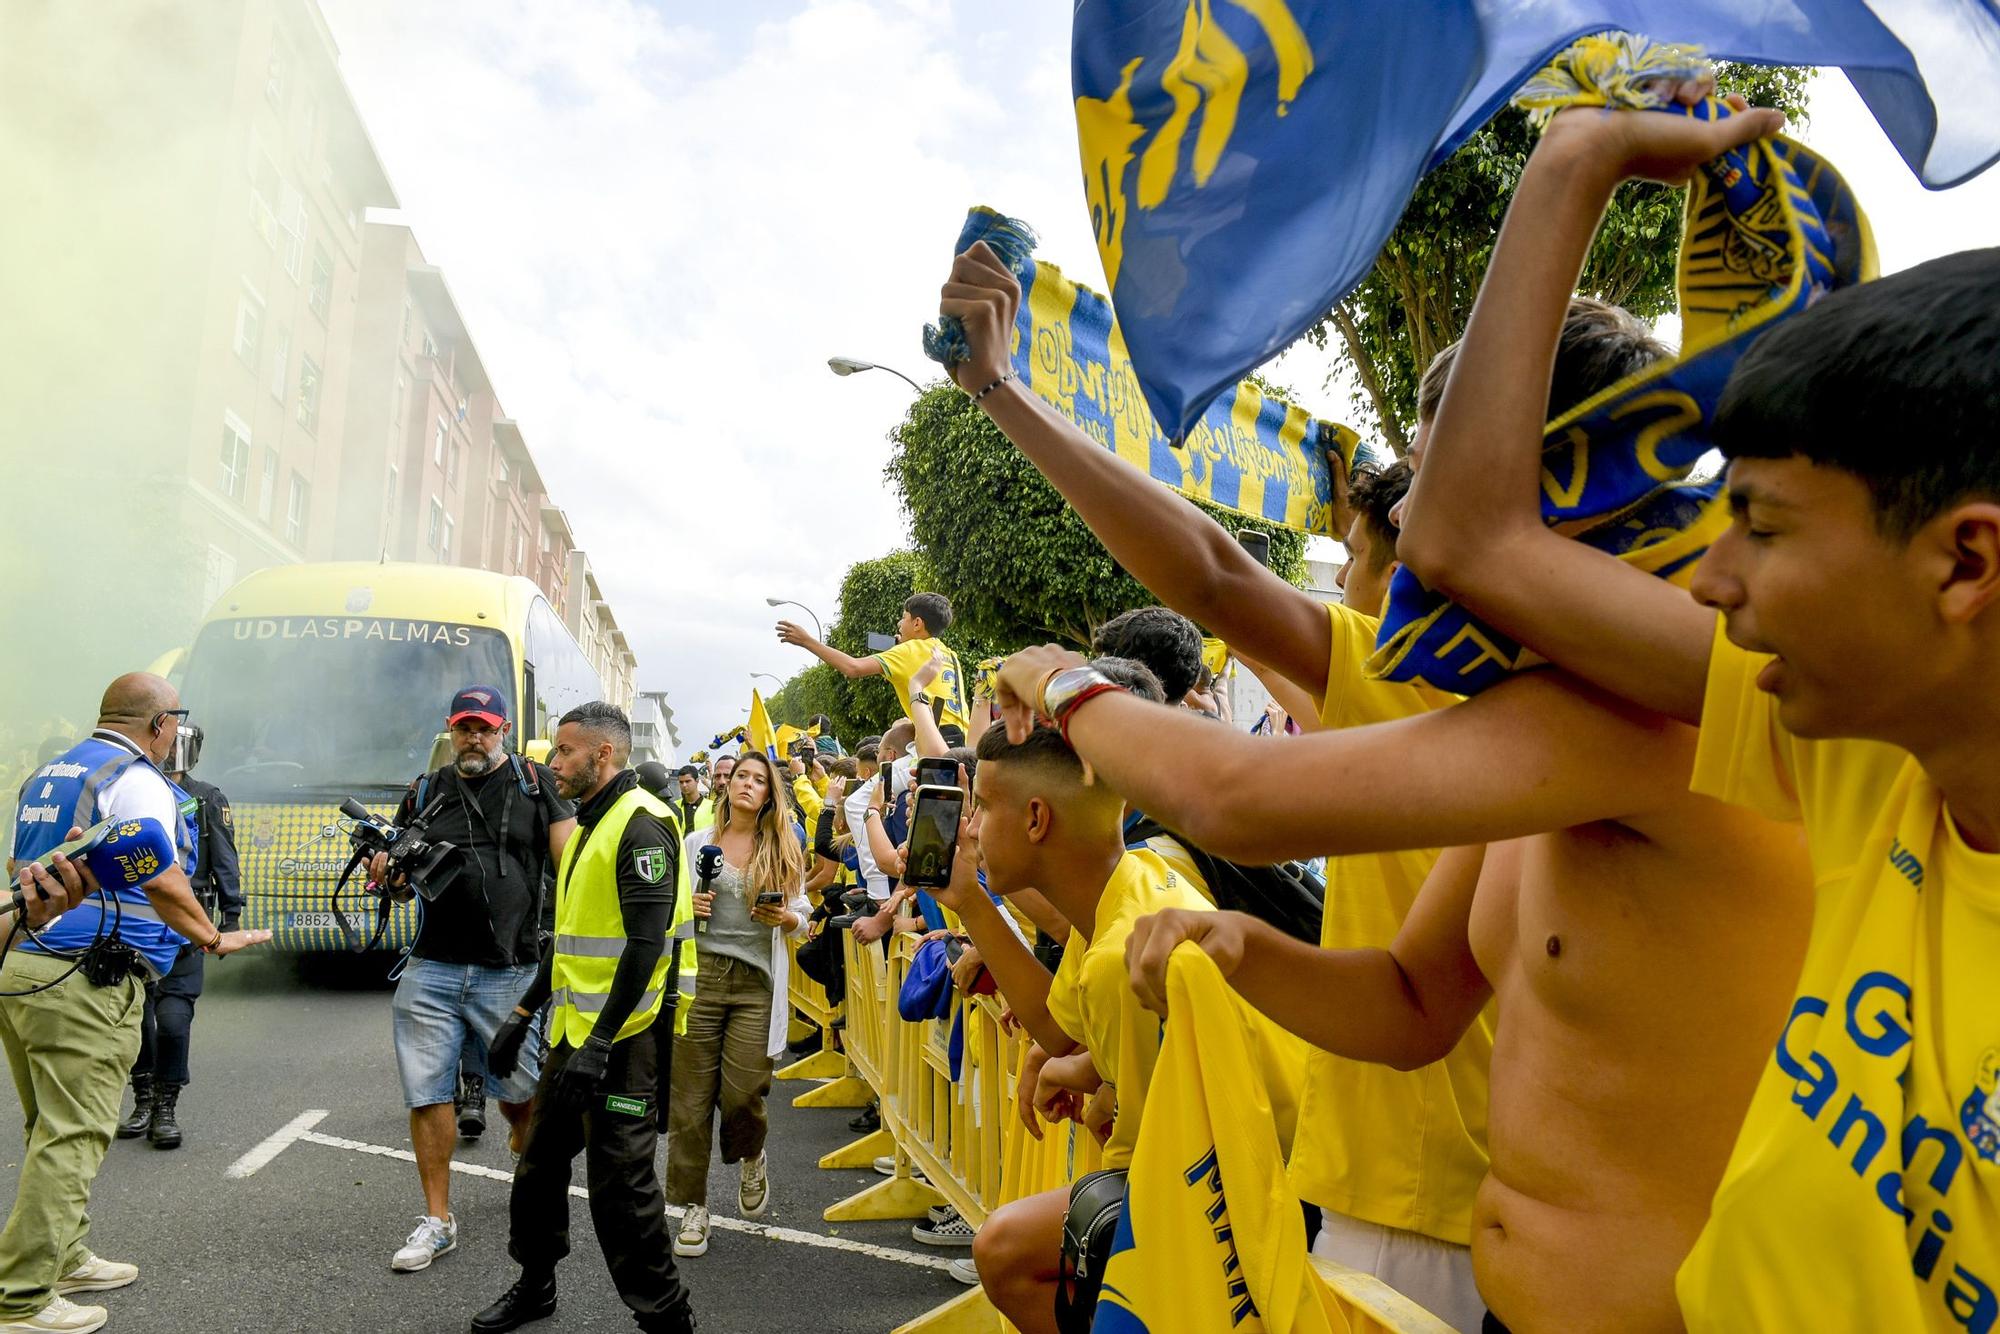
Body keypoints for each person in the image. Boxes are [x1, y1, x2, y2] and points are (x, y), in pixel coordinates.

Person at [946, 181, 1820, 1329]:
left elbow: (1234, 794)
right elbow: (1411, 996)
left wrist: (1066, 683)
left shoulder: (1656, 714)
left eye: (1434, 507)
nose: (1417, 560)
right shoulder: (1516, 701)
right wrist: (1241, 943)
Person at [1389, 95, 2000, 1331]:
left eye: (1762, 526)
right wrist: (1573, 160)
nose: (1712, 582)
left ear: (1962, 560)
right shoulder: (1865, 767)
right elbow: (1467, 540)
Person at [932, 660, 1304, 1334]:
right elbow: (1057, 1025)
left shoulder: (1116, 956)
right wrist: (967, 903)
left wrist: (1092, 1083)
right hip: (1259, 1164)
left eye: (984, 806)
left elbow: (1149, 1158)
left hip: (1253, 1200)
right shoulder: (1128, 885)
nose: (974, 828)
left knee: (1008, 1249)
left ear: (1037, 818)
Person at [1, 674, 269, 1334]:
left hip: (28, 966)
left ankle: (66, 1256)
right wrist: (210, 935)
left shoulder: (54, 771)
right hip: (84, 977)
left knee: (50, 1126)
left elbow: (17, 863)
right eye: (175, 722)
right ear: (160, 724)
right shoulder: (138, 776)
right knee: (75, 1133)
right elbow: (157, 866)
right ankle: (23, 1297)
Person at [473, 703, 696, 1334]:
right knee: (539, 1168)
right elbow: (569, 940)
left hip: (625, 1041)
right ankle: (535, 1286)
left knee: (621, 1190)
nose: (553, 761)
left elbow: (646, 946)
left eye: (565, 751)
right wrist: (521, 1014)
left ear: (602, 755)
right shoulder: (584, 826)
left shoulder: (643, 824)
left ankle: (667, 1318)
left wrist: (599, 1043)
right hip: (574, 1037)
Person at [376, 685, 576, 1275]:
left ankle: (522, 1145)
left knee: (519, 1093)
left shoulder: (537, 786)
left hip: (511, 967)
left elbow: (570, 862)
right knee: (427, 1090)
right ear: (451, 730)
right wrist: (386, 875)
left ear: (504, 729)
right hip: (432, 964)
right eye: (465, 728)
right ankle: (438, 1220)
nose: (475, 739)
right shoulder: (425, 791)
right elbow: (395, 868)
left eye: (486, 728)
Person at [667, 751, 811, 1258]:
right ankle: (693, 1207)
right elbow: (669, 911)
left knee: (744, 1093)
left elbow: (804, 915)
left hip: (756, 985)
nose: (747, 785)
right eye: (740, 777)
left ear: (771, 793)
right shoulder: (695, 844)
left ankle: (752, 1153)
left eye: (759, 780)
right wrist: (689, 907)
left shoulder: (782, 846)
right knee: (688, 1101)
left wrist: (786, 920)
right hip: (700, 979)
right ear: (726, 787)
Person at [115, 724, 242, 1150]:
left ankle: (166, 1105)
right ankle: (143, 1099)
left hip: (186, 923)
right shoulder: (128, 788)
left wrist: (231, 915)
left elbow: (224, 855)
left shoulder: (206, 798)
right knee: (138, 1019)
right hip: (135, 922)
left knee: (172, 1020)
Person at [777, 593, 971, 742]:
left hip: (935, 736)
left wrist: (807, 641)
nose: (899, 623)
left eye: (904, 618)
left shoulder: (909, 650)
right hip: (961, 738)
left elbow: (853, 667)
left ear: (917, 623)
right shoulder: (949, 654)